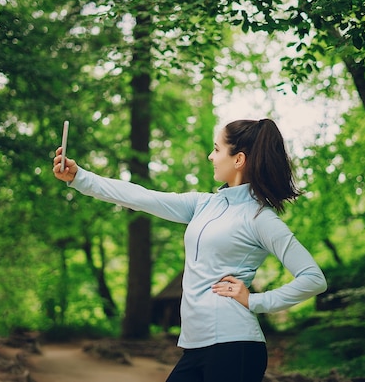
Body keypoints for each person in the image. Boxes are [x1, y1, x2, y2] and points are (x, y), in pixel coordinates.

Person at [53, 118, 327, 382]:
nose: (211, 156)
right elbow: (140, 196)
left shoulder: (259, 218)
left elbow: (313, 278)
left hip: (235, 346)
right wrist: (79, 177)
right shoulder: (204, 205)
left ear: (238, 159)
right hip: (196, 347)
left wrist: (256, 301)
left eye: (217, 149)